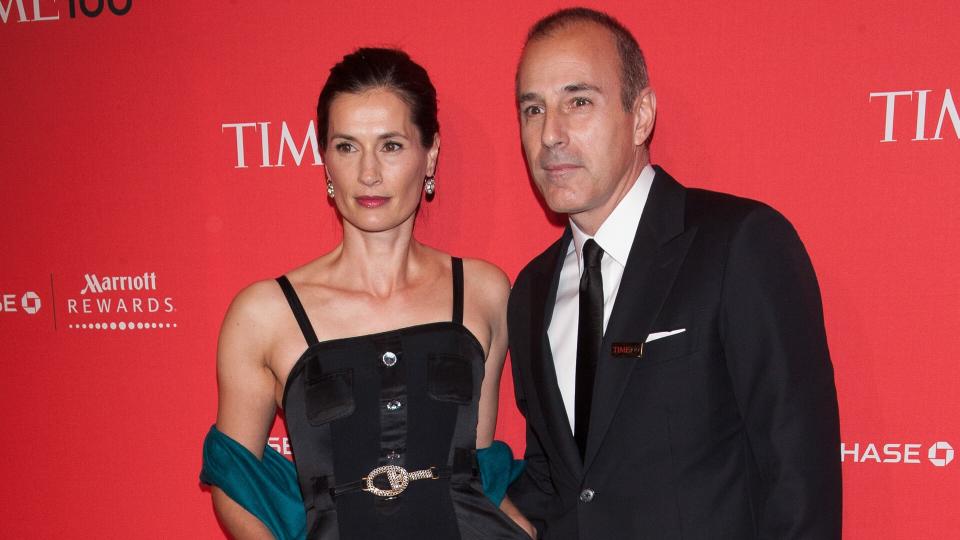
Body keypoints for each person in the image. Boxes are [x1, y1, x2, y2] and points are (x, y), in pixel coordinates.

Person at [506, 8, 842, 539]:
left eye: (579, 102)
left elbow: (797, 473)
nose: (551, 134)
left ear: (640, 116)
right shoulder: (531, 290)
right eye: (533, 109)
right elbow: (558, 481)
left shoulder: (739, 244)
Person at [201, 48, 533, 539]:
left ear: (431, 153)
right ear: (325, 158)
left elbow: (477, 467)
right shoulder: (264, 314)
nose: (369, 173)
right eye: (347, 146)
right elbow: (235, 482)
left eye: (392, 145)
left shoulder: (484, 291)